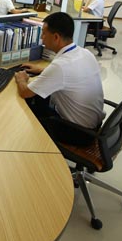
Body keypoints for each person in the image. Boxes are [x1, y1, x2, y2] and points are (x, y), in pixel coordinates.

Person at [14, 12, 105, 145]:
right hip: (93, 126)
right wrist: (43, 71)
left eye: (44, 33)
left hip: (79, 133)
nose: (41, 37)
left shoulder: (60, 66)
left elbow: (25, 92)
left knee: (29, 104)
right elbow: (71, 75)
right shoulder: (85, 53)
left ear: (56, 37)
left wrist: (21, 79)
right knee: (41, 97)